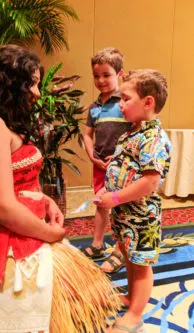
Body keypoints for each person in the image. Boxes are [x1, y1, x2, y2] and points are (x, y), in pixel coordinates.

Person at [0, 44, 121, 333]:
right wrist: (50, 234)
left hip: (23, 220)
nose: (38, 94)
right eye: (32, 85)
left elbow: (18, 179)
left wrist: (45, 201)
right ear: (8, 84)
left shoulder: (3, 120)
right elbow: (2, 204)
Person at [95, 69, 172, 332]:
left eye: (126, 99)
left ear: (148, 102)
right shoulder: (133, 132)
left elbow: (150, 181)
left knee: (141, 266)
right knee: (130, 257)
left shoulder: (153, 138)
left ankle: (136, 313)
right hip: (125, 215)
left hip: (142, 217)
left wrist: (114, 197)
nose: (120, 104)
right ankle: (131, 298)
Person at [82, 47, 131, 272]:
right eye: (96, 76)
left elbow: (135, 132)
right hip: (100, 166)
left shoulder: (126, 102)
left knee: (122, 208)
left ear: (120, 74)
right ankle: (98, 243)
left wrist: (121, 155)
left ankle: (120, 250)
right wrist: (91, 155)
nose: (100, 80)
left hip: (123, 167)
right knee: (101, 205)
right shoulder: (94, 107)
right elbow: (87, 134)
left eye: (106, 75)